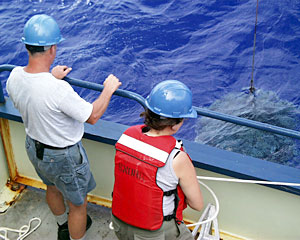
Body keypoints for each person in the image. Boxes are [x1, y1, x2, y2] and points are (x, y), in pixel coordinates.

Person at [6, 14, 121, 240]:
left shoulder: (13, 76)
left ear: (27, 47)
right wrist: (108, 89)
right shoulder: (57, 90)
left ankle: (62, 225)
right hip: (63, 157)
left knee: (51, 186)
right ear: (52, 49)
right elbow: (93, 115)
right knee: (78, 205)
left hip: (34, 146)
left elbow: (36, 94)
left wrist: (52, 78)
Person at [111, 80, 203, 240]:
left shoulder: (126, 136)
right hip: (154, 232)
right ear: (174, 125)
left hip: (119, 222)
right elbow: (197, 205)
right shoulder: (177, 158)